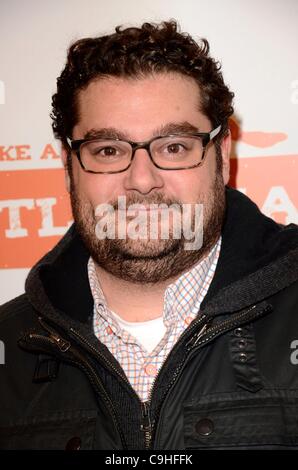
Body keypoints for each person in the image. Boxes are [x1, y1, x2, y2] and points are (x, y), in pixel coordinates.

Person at [1, 20, 298, 451]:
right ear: (69, 166)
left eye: (173, 146)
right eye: (108, 150)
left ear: (222, 154)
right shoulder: (10, 350)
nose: (142, 180)